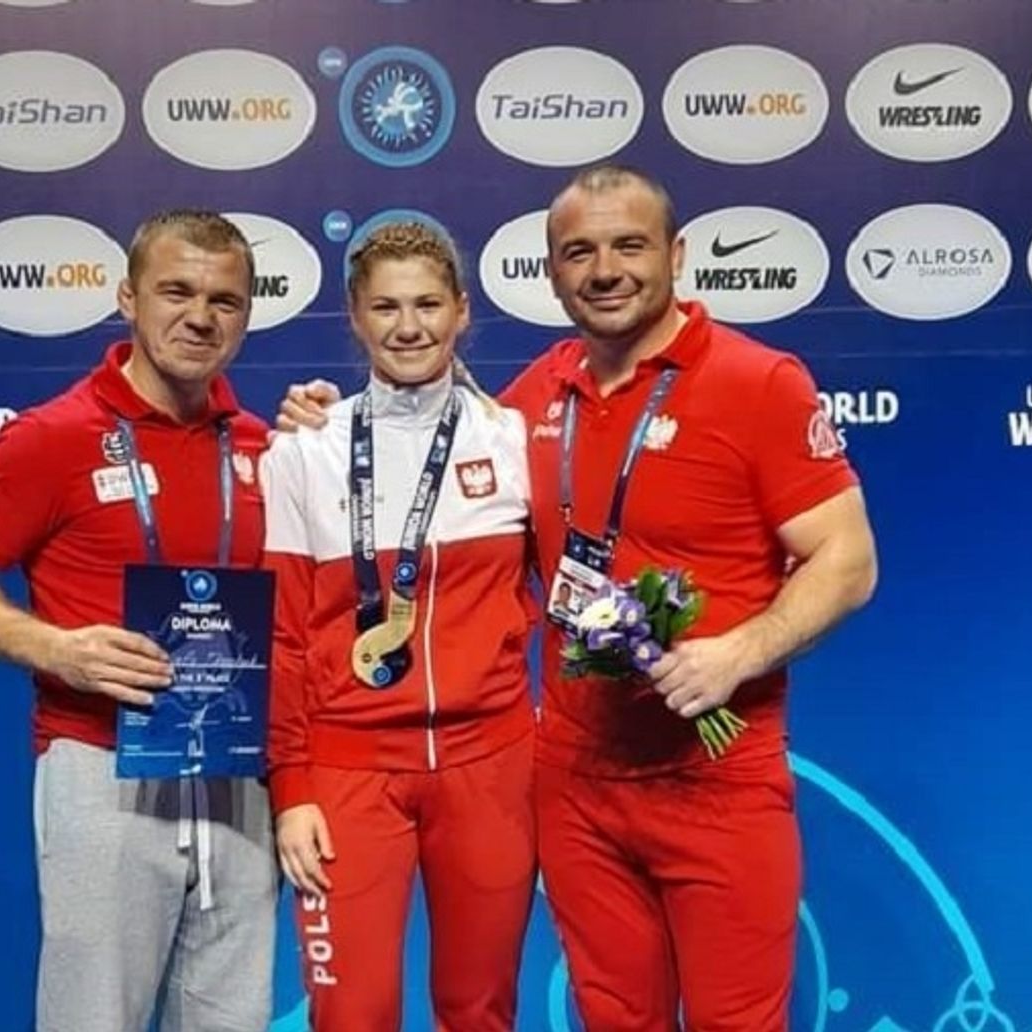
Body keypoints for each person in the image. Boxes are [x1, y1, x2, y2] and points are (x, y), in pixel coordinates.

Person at [282, 165, 878, 1031]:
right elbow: (430, 435)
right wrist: (325, 420)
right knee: (614, 1019)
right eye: (579, 252)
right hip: (576, 785)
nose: (605, 271)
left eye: (629, 246)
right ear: (553, 271)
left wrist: (738, 653)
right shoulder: (536, 397)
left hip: (714, 775)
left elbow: (849, 560)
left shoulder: (758, 381)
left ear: (676, 254)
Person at [0, 210, 278, 1032]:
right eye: (176, 292)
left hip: (237, 775)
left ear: (247, 314)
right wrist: (54, 648)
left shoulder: (262, 445)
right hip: (102, 763)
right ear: (128, 299)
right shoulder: (54, 435)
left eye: (224, 300)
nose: (200, 316)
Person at [261, 221, 537, 1031]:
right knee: (352, 1014)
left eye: (427, 305)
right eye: (386, 307)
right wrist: (292, 790)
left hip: (490, 767)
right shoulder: (304, 449)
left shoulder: (513, 439)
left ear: (462, 311)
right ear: (355, 316)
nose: (408, 326)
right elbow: (281, 636)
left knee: (479, 1010)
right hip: (348, 774)